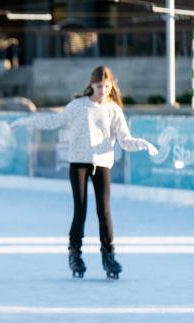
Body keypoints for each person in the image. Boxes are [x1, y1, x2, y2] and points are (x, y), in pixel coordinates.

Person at [10, 65, 159, 279]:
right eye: (99, 86)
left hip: (102, 164)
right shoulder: (78, 106)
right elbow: (53, 121)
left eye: (107, 86)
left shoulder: (113, 110)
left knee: (104, 211)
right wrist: (25, 121)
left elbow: (125, 141)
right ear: (92, 85)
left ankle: (109, 255)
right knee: (80, 210)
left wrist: (141, 144)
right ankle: (75, 254)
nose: (103, 91)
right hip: (78, 163)